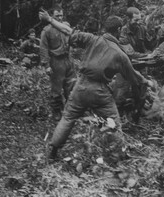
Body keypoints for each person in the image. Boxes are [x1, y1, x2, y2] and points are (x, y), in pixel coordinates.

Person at [38, 11, 153, 161]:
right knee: (114, 121)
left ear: (105, 29)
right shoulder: (120, 54)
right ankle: (119, 153)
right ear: (118, 30)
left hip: (81, 86)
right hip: (100, 91)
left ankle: (53, 152)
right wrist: (146, 82)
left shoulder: (92, 39)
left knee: (68, 117)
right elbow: (133, 76)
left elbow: (68, 31)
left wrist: (50, 19)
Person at [40, 6, 76, 120]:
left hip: (68, 59)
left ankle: (70, 110)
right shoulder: (47, 30)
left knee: (72, 85)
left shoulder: (65, 27)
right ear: (52, 16)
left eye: (61, 15)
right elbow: (43, 48)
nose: (60, 18)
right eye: (57, 16)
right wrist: (46, 65)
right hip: (56, 61)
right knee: (56, 88)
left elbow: (73, 41)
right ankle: (56, 111)